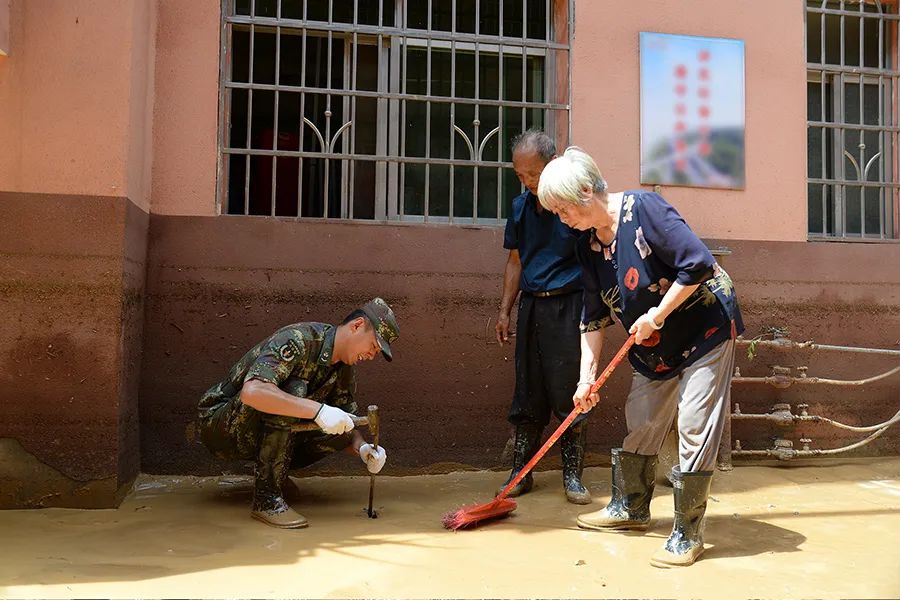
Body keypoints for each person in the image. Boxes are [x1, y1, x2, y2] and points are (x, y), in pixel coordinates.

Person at [536, 147, 743, 567]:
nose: (562, 218)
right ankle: (630, 507)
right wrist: (585, 380)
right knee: (643, 418)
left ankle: (688, 533)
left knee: (693, 423)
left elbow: (697, 264)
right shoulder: (588, 246)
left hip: (704, 332)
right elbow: (592, 317)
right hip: (653, 346)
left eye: (562, 209)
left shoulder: (645, 209)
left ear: (587, 191)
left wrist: (658, 315)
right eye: (554, 212)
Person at [197, 298, 399, 529]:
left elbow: (347, 423)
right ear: (356, 326)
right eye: (373, 345)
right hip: (221, 427)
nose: (372, 355)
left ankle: (275, 478)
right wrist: (318, 410)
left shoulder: (345, 369)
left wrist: (363, 450)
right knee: (291, 390)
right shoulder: (299, 340)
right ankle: (267, 500)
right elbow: (253, 392)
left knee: (342, 428)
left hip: (255, 432)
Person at [495, 130, 590, 504]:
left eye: (531, 174)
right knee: (527, 392)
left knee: (570, 392)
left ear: (551, 165)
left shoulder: (572, 208)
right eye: (519, 175)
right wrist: (505, 309)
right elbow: (515, 261)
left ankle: (573, 476)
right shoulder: (520, 208)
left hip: (570, 306)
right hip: (532, 306)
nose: (525, 182)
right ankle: (521, 472)